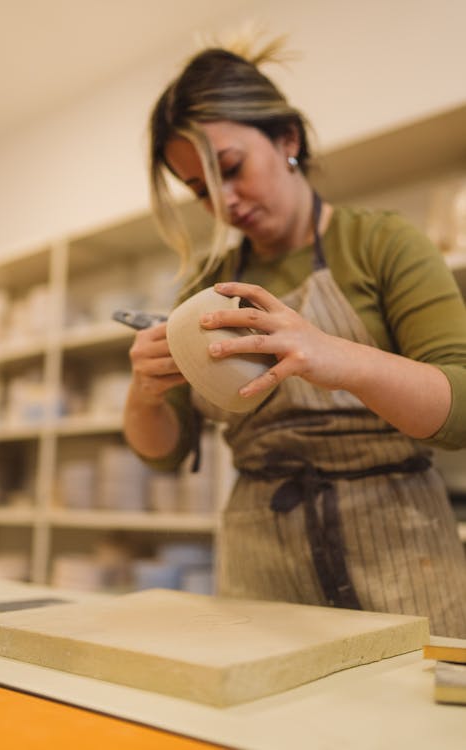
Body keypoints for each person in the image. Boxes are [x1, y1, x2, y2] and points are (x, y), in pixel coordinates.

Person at [123, 37, 466, 637]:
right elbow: (163, 452)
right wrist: (144, 390)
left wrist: (340, 358)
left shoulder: (380, 243)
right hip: (263, 562)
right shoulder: (206, 288)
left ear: (288, 140)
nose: (223, 203)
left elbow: (462, 410)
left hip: (402, 550)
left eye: (230, 169)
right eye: (201, 190)